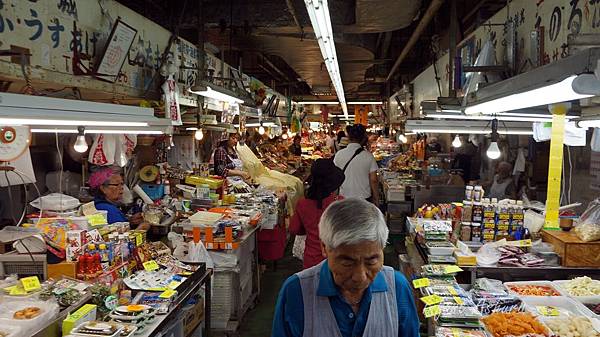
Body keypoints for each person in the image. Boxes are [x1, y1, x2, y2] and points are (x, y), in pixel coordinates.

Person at [272, 198, 419, 337]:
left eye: (371, 261)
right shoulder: (296, 291)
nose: (360, 276)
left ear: (382, 248)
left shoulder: (397, 288)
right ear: (324, 247)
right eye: (347, 263)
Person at [289, 159, 345, 269]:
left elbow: (294, 229)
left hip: (311, 260)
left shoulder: (303, 204)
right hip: (337, 259)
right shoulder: (339, 203)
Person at [333, 124, 380, 205]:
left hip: (344, 198)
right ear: (363, 138)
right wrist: (376, 198)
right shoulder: (368, 156)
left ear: (349, 137)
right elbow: (373, 180)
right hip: (364, 199)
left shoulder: (339, 155)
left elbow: (334, 177)